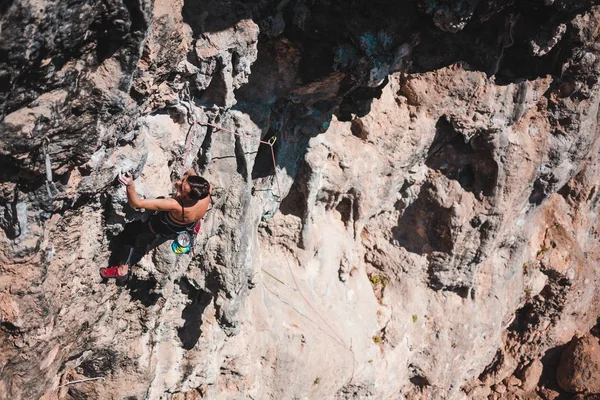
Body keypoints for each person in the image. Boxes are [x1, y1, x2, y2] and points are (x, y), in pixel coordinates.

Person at [100, 169, 211, 280]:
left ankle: (122, 271)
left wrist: (130, 185)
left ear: (188, 198)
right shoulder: (205, 193)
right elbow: (198, 181)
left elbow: (136, 203)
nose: (178, 183)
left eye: (181, 189)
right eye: (183, 180)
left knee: (130, 233)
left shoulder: (176, 205)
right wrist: (191, 174)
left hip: (159, 226)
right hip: (186, 223)